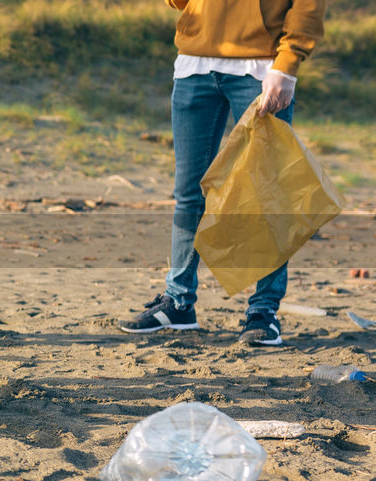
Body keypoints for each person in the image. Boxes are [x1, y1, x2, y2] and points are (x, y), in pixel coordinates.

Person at [120, 0, 326, 346]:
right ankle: (179, 302)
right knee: (189, 192)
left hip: (262, 68)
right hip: (194, 63)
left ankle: (263, 312)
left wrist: (287, 66)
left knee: (266, 195)